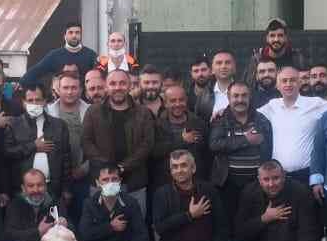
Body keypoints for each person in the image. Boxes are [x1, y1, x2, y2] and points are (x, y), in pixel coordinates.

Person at [83, 68, 157, 215]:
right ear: (106, 86)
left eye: (122, 83)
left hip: (135, 183)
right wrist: (108, 167)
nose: (118, 87)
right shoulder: (93, 111)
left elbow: (147, 144)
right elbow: (86, 141)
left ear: (130, 85)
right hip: (101, 181)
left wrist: (123, 167)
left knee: (136, 223)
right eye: (113, 83)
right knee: (101, 223)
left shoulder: (143, 112)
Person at [209, 80, 274, 219]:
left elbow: (269, 149)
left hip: (256, 183)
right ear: (228, 98)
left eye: (244, 95)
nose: (240, 100)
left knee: (255, 219)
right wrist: (245, 140)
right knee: (229, 221)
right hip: (228, 183)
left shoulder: (261, 120)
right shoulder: (221, 119)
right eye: (236, 96)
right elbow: (214, 145)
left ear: (250, 97)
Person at [259, 66, 327, 186]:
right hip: (278, 177)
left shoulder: (315, 103)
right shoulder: (273, 105)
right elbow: (250, 114)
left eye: (292, 80)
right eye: (284, 81)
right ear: (277, 85)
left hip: (305, 174)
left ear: (299, 83)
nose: (288, 84)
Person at [5, 83, 73, 211]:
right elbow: (7, 153)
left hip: (52, 189)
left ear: (44, 101)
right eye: (30, 100)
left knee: (53, 222)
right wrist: (33, 146)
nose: (34, 103)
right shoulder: (14, 125)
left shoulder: (59, 125)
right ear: (23, 102)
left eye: (38, 100)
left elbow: (66, 159)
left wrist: (67, 189)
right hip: (22, 190)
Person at [47, 69, 91, 222]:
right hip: (56, 178)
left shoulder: (90, 111)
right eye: (65, 87)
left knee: (82, 218)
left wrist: (84, 168)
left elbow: (98, 145)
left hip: (83, 176)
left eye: (74, 87)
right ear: (58, 89)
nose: (70, 91)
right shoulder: (48, 111)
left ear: (81, 89)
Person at [151, 81, 209, 193]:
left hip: (196, 184)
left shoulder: (198, 123)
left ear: (186, 101)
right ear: (165, 103)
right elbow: (154, 151)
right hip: (166, 185)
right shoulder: (157, 125)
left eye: (181, 100)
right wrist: (181, 140)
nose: (177, 104)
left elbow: (206, 153)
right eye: (173, 101)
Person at [22, 22, 98, 89]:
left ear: (81, 35)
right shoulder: (55, 55)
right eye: (70, 32)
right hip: (60, 99)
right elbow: (33, 74)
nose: (74, 35)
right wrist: (42, 93)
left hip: (84, 99)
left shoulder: (90, 55)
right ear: (65, 36)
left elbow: (99, 79)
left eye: (77, 33)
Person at [209, 50, 240, 115]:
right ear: (212, 70)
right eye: (219, 63)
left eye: (228, 63)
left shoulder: (245, 93)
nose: (223, 66)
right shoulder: (204, 96)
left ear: (234, 68)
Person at [188, 55, 217, 121]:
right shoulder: (186, 94)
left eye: (203, 70)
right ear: (191, 73)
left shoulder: (218, 91)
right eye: (196, 71)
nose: (200, 74)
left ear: (211, 71)